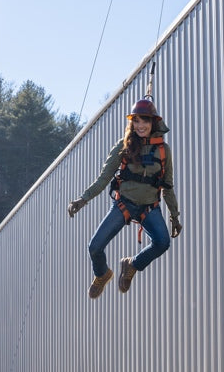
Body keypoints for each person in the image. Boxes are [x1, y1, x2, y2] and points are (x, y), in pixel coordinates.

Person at [67, 97, 182, 297]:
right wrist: (83, 199)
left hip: (149, 208)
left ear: (153, 122)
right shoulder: (124, 146)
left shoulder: (163, 150)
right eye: (136, 121)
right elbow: (103, 178)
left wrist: (174, 216)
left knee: (163, 242)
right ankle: (102, 274)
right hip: (124, 204)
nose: (140, 125)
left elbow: (168, 186)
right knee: (94, 247)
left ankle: (131, 266)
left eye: (145, 120)